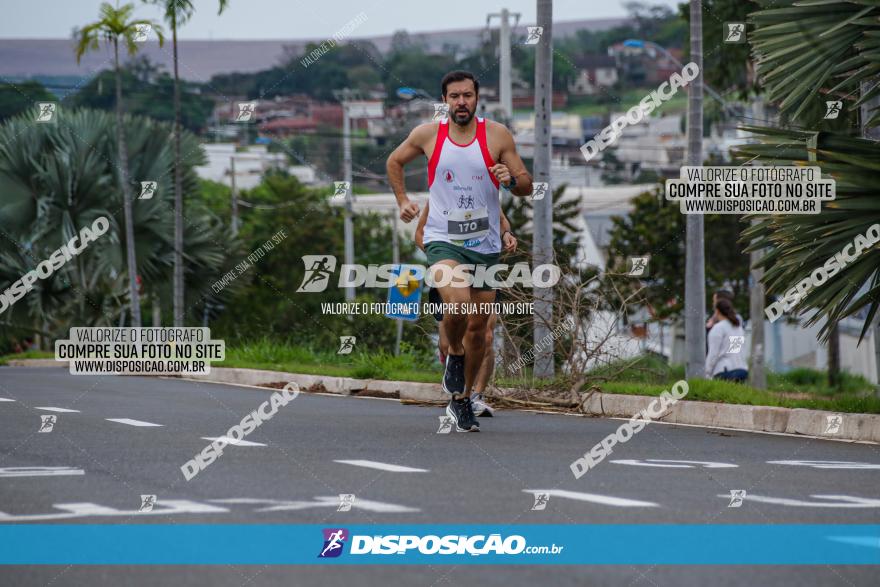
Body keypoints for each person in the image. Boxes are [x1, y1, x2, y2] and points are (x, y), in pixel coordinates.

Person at [387, 70, 532, 432]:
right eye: (454, 96)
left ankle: (463, 399)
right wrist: (403, 200)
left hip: (484, 245)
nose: (461, 102)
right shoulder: (428, 135)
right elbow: (394, 161)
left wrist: (510, 180)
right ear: (445, 101)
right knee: (457, 305)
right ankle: (453, 354)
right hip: (443, 238)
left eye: (467, 95)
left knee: (480, 329)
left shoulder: (497, 135)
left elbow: (526, 185)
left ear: (477, 98)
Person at [415, 201, 517, 417]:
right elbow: (420, 233)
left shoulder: (486, 192)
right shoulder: (441, 193)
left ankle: (472, 396)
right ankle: (455, 385)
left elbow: (500, 220)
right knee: (446, 344)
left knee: (485, 335)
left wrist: (506, 234)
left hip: (481, 267)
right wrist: (440, 257)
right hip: (450, 271)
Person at [705, 298, 748, 382]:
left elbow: (713, 354)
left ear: (717, 311)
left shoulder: (718, 328)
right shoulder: (737, 327)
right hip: (741, 370)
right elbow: (735, 351)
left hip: (725, 372)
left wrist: (706, 372)